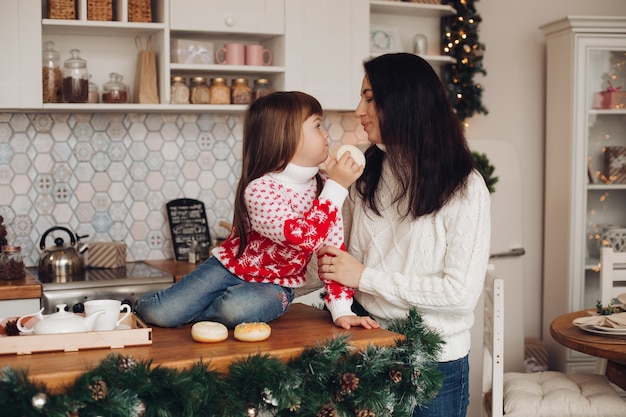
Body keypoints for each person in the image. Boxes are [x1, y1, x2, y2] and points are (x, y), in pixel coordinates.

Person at [318, 53, 491, 417]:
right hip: (366, 346)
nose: (358, 111)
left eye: (369, 98)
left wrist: (365, 276)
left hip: (433, 364)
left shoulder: (465, 188)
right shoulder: (365, 175)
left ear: (404, 101)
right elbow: (330, 256)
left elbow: (460, 294)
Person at [136, 91, 379, 330]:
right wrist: (337, 187)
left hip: (275, 286)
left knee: (237, 309)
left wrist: (341, 311)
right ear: (284, 136)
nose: (326, 133)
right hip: (227, 269)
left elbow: (332, 253)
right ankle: (140, 306)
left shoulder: (326, 189)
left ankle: (193, 312)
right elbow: (304, 238)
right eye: (317, 125)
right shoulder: (259, 190)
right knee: (162, 313)